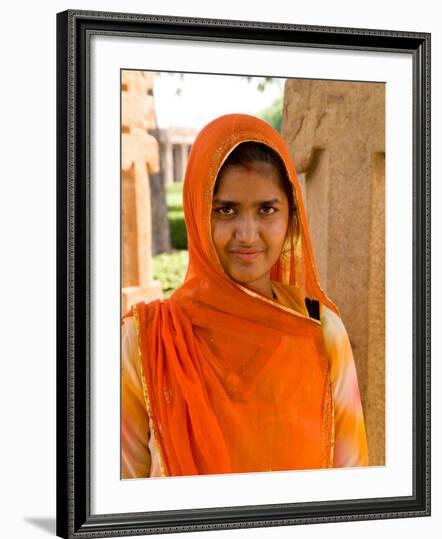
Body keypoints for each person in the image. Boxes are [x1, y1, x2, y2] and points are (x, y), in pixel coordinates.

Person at [121, 113, 368, 479]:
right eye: (226, 210)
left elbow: (351, 482)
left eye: (266, 209)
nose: (248, 234)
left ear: (291, 217)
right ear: (197, 212)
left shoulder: (320, 331)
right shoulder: (146, 340)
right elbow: (119, 487)